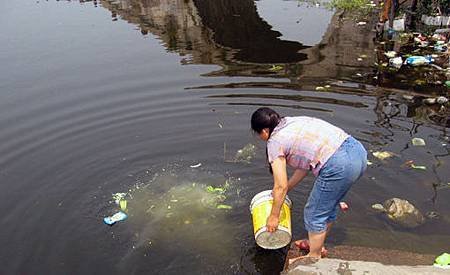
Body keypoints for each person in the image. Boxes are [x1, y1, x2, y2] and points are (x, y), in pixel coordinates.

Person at [250, 107, 367, 261]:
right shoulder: (291, 122)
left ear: (264, 131)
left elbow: (280, 186)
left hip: (339, 164)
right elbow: (304, 166)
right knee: (328, 206)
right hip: (358, 153)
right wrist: (287, 189)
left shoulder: (274, 141)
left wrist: (274, 216)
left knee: (314, 213)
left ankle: (314, 256)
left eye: (259, 134)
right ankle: (316, 244)